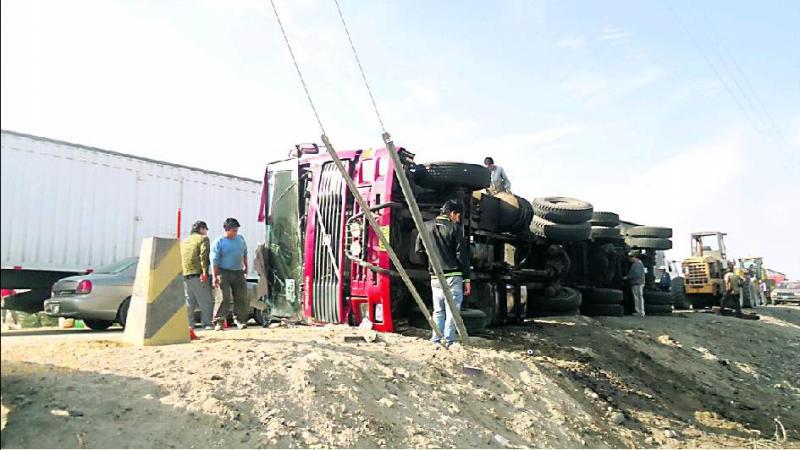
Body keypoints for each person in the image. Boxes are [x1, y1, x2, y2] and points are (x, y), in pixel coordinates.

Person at [415, 200, 471, 348]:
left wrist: (429, 266)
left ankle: (436, 339)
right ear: (453, 214)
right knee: (452, 311)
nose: (458, 220)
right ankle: (448, 340)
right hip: (453, 275)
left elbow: (418, 251)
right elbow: (461, 255)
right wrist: (467, 278)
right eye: (458, 216)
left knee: (438, 310)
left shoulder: (425, 227)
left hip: (435, 276)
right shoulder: (455, 228)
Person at [211, 218, 249, 330]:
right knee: (223, 297)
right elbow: (214, 261)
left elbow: (245, 254)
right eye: (233, 230)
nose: (235, 233)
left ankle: (240, 320)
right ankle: (219, 321)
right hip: (223, 272)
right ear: (226, 230)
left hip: (238, 271)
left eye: (236, 230)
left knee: (241, 296)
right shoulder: (219, 242)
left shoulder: (241, 239)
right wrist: (214, 277)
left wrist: (246, 267)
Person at [181, 220, 214, 330]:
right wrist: (205, 272)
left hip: (186, 274)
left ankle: (189, 324)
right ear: (202, 229)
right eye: (206, 229)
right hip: (197, 273)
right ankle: (207, 323)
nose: (206, 232)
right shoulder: (203, 239)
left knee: (189, 301)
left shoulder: (185, 241)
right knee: (205, 300)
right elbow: (203, 256)